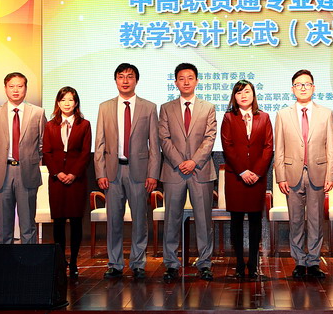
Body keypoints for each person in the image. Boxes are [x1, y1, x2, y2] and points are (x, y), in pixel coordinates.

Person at [95, 63, 160, 279]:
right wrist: (100, 173)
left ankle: (138, 263)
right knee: (114, 220)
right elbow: (100, 143)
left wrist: (153, 174)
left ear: (136, 80)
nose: (125, 80)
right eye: (121, 76)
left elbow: (154, 144)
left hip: (139, 172)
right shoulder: (105, 107)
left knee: (140, 220)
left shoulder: (148, 107)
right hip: (112, 172)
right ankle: (114, 264)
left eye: (130, 76)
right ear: (115, 80)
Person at [274, 69, 333, 279]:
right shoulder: (283, 115)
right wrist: (281, 176)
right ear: (292, 89)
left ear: (313, 88)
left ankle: (314, 261)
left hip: (318, 172)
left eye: (307, 84)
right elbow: (279, 148)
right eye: (298, 84)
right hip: (292, 174)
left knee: (316, 220)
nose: (303, 88)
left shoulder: (326, 113)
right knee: (296, 220)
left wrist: (331, 175)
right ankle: (300, 261)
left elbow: (330, 146)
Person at [159, 63, 217, 281]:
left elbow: (210, 138)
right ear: (175, 82)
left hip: (200, 171)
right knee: (171, 220)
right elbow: (164, 138)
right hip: (173, 171)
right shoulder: (166, 108)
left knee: (203, 220)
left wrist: (193, 161)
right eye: (181, 78)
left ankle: (205, 263)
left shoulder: (208, 107)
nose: (186, 82)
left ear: (197, 81)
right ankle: (171, 264)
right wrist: (179, 162)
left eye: (190, 78)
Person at [0, 72, 46, 244]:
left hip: (27, 172)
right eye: (11, 86)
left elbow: (42, 142)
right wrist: (0, 159)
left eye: (20, 86)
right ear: (5, 88)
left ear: (26, 88)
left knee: (28, 225)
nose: (16, 90)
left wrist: (30, 159)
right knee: (4, 225)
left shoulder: (38, 113)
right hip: (2, 173)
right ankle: (5, 259)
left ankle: (29, 259)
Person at [221, 80, 273, 280]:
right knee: (236, 222)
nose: (243, 95)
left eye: (247, 91)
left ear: (253, 94)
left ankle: (253, 264)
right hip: (236, 177)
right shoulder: (228, 117)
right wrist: (243, 171)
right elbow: (228, 146)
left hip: (257, 178)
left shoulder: (264, 117)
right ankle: (238, 264)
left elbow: (268, 146)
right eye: (239, 92)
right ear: (234, 96)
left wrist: (257, 172)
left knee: (255, 221)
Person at [42, 86, 91, 278]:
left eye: (70, 100)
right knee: (59, 222)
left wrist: (73, 174)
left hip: (76, 180)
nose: (67, 103)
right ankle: (61, 261)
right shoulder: (50, 125)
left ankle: (75, 262)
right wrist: (58, 173)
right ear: (58, 102)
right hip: (57, 181)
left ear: (76, 102)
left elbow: (85, 152)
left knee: (76, 221)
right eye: (63, 100)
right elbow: (47, 152)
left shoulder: (84, 125)